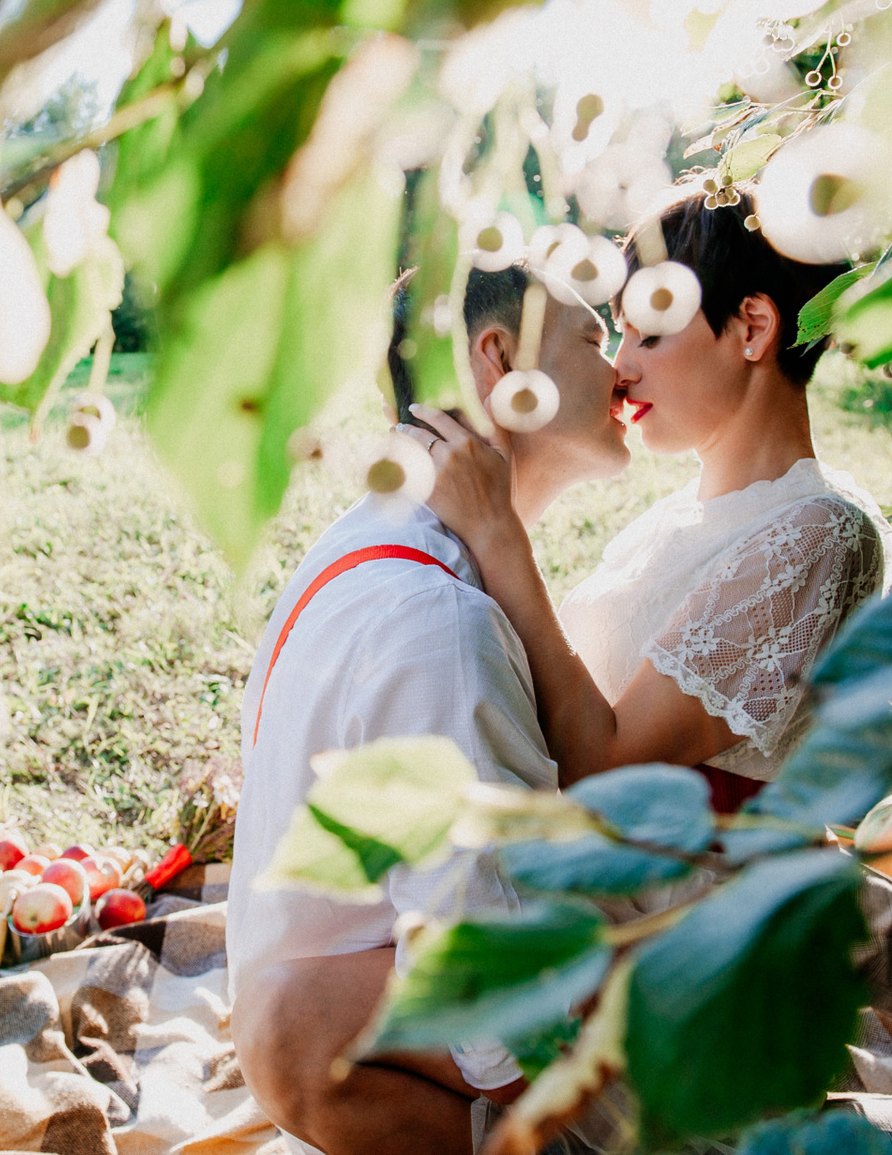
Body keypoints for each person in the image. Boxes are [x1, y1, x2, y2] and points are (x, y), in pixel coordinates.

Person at [228, 265, 631, 1155]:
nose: (623, 370)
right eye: (596, 339)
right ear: (499, 361)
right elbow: (501, 1002)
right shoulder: (437, 618)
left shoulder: (373, 537)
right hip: (369, 1030)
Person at [404, 186, 892, 806]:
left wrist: (498, 534)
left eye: (649, 337)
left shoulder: (819, 533)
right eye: (621, 337)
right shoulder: (673, 520)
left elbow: (606, 766)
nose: (622, 368)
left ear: (752, 328)